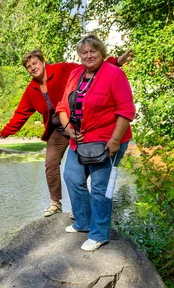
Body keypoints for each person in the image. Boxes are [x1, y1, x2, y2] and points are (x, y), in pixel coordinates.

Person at [0, 48, 133, 217]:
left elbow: (90, 67)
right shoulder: (31, 90)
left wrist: (117, 62)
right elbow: (21, 114)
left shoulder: (62, 69)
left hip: (79, 125)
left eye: (35, 63)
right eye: (28, 66)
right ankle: (56, 203)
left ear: (42, 61)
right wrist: (5, 132)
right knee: (50, 164)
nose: (33, 67)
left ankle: (80, 207)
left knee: (81, 167)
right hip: (59, 130)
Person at [56, 34, 136, 251]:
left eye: (93, 51)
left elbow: (126, 110)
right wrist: (69, 129)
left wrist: (115, 141)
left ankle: (99, 234)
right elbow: (62, 106)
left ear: (102, 53)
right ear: (79, 56)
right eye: (84, 52)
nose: (88, 55)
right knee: (72, 177)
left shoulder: (114, 74)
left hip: (107, 142)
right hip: (79, 140)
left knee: (100, 189)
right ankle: (83, 222)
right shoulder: (75, 74)